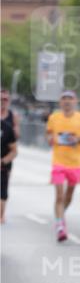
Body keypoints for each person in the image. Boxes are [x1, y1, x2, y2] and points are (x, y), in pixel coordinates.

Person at [45, 90, 80, 241]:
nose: (67, 101)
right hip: (58, 163)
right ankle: (60, 225)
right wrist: (50, 139)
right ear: (60, 102)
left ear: (75, 101)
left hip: (76, 164)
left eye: (70, 99)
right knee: (59, 195)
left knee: (69, 196)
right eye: (64, 99)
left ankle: (60, 215)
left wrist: (79, 139)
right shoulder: (54, 118)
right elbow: (48, 133)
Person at [1, 89, 18, 224]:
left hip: (6, 154)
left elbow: (16, 138)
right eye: (1, 99)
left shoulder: (13, 116)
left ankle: (2, 213)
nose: (3, 102)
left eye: (5, 99)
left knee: (4, 184)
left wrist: (13, 131)